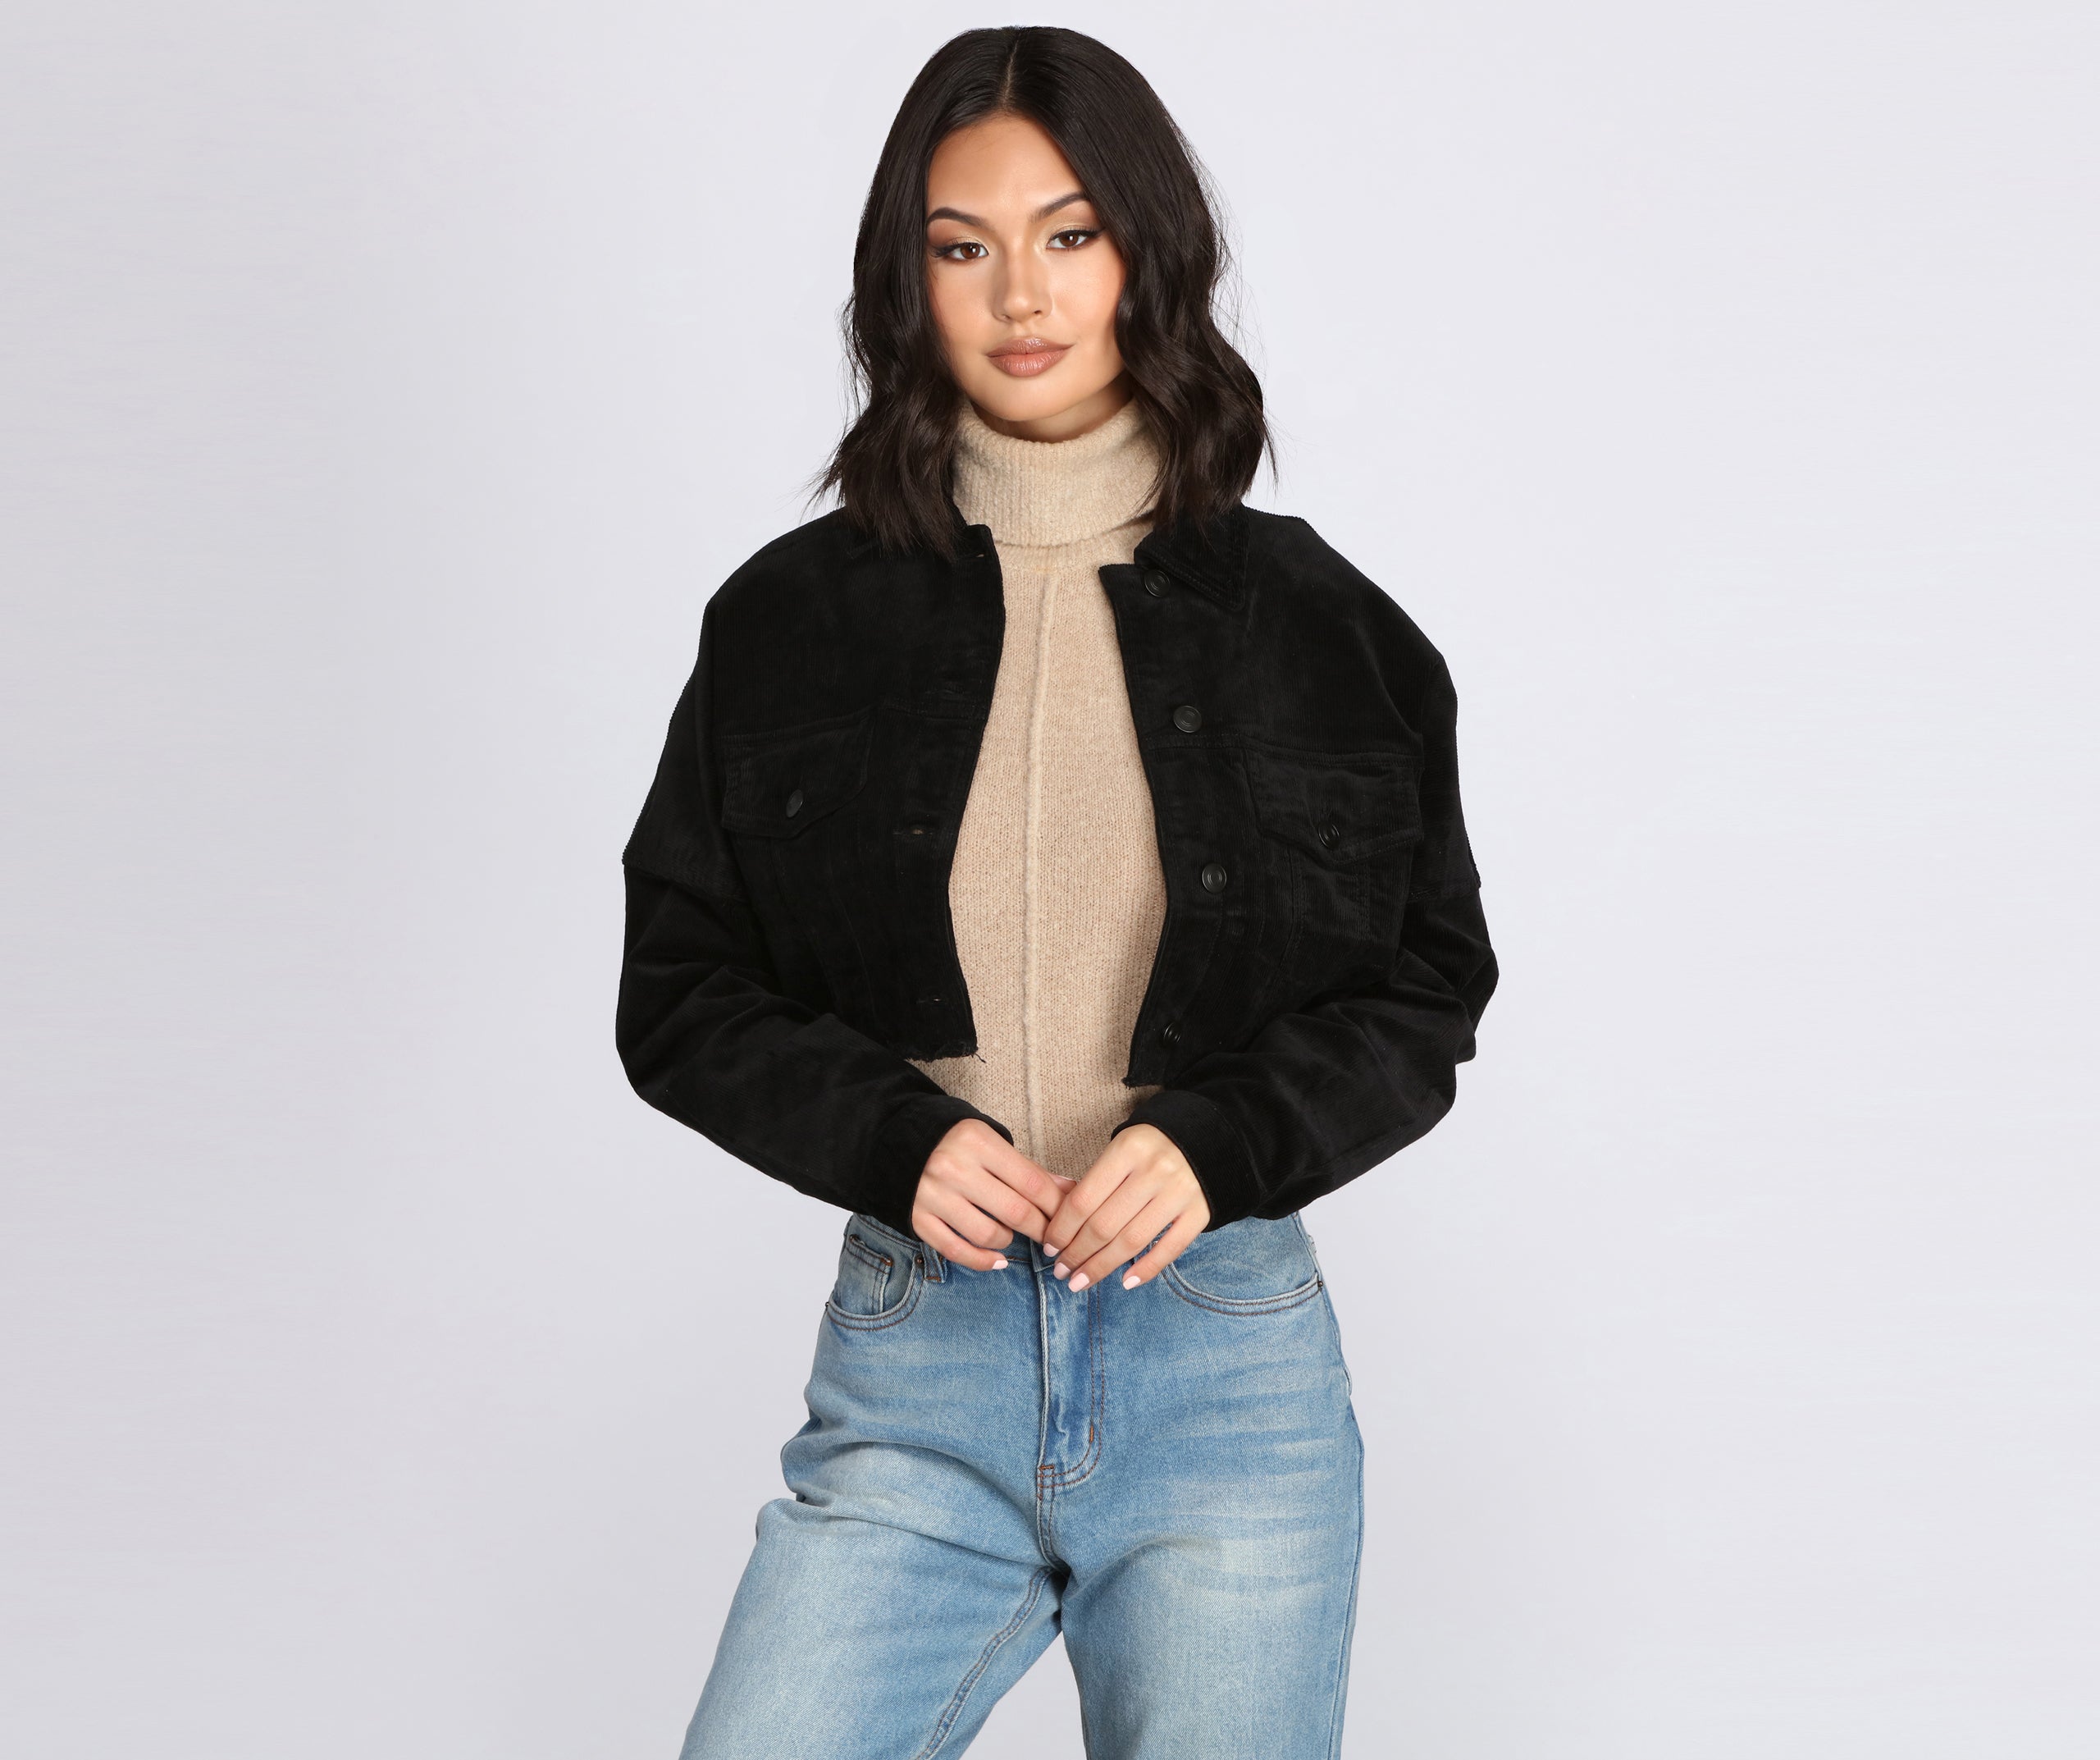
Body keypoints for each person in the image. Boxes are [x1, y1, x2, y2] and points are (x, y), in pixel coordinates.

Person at [617, 25, 1496, 1759]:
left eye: (1070, 234)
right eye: (963, 246)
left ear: (1149, 254)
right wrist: (891, 1136)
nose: (1020, 293)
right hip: (914, 1369)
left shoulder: (1322, 626)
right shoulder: (788, 619)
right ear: (906, 280)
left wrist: (1222, 1140)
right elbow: (681, 988)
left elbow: (1426, 985)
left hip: (1227, 1373)